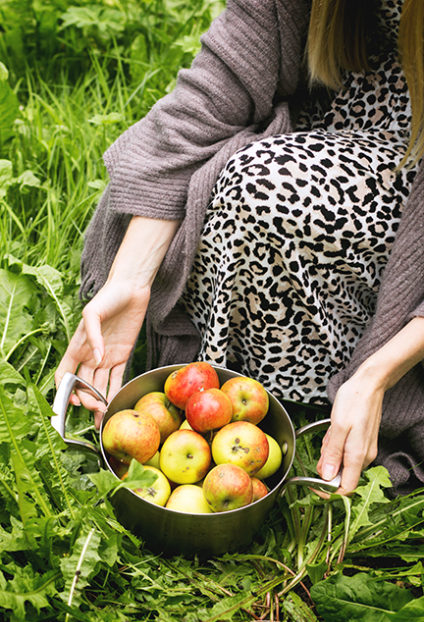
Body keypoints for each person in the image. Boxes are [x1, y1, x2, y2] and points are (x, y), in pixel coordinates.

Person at [55, 0, 424, 497]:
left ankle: (336, 380)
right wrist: (129, 279)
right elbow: (204, 104)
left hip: (410, 187)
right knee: (214, 186)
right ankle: (251, 398)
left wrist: (379, 373)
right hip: (328, 144)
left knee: (263, 189)